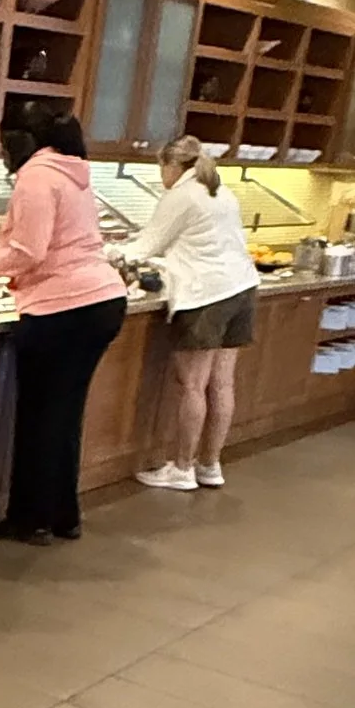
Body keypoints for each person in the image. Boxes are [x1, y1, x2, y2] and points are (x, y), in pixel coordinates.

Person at [0, 101, 128, 543]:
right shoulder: (71, 171)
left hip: (62, 307)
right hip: (100, 302)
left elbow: (29, 252)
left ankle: (29, 519)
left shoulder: (36, 176)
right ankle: (62, 515)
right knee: (63, 415)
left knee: (39, 417)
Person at [135, 135, 260, 491]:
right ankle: (210, 465)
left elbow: (146, 245)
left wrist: (103, 252)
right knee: (221, 383)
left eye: (161, 167)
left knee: (191, 383)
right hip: (242, 289)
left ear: (172, 165)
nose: (161, 175)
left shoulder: (181, 195)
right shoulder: (219, 189)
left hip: (207, 296)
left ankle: (182, 468)